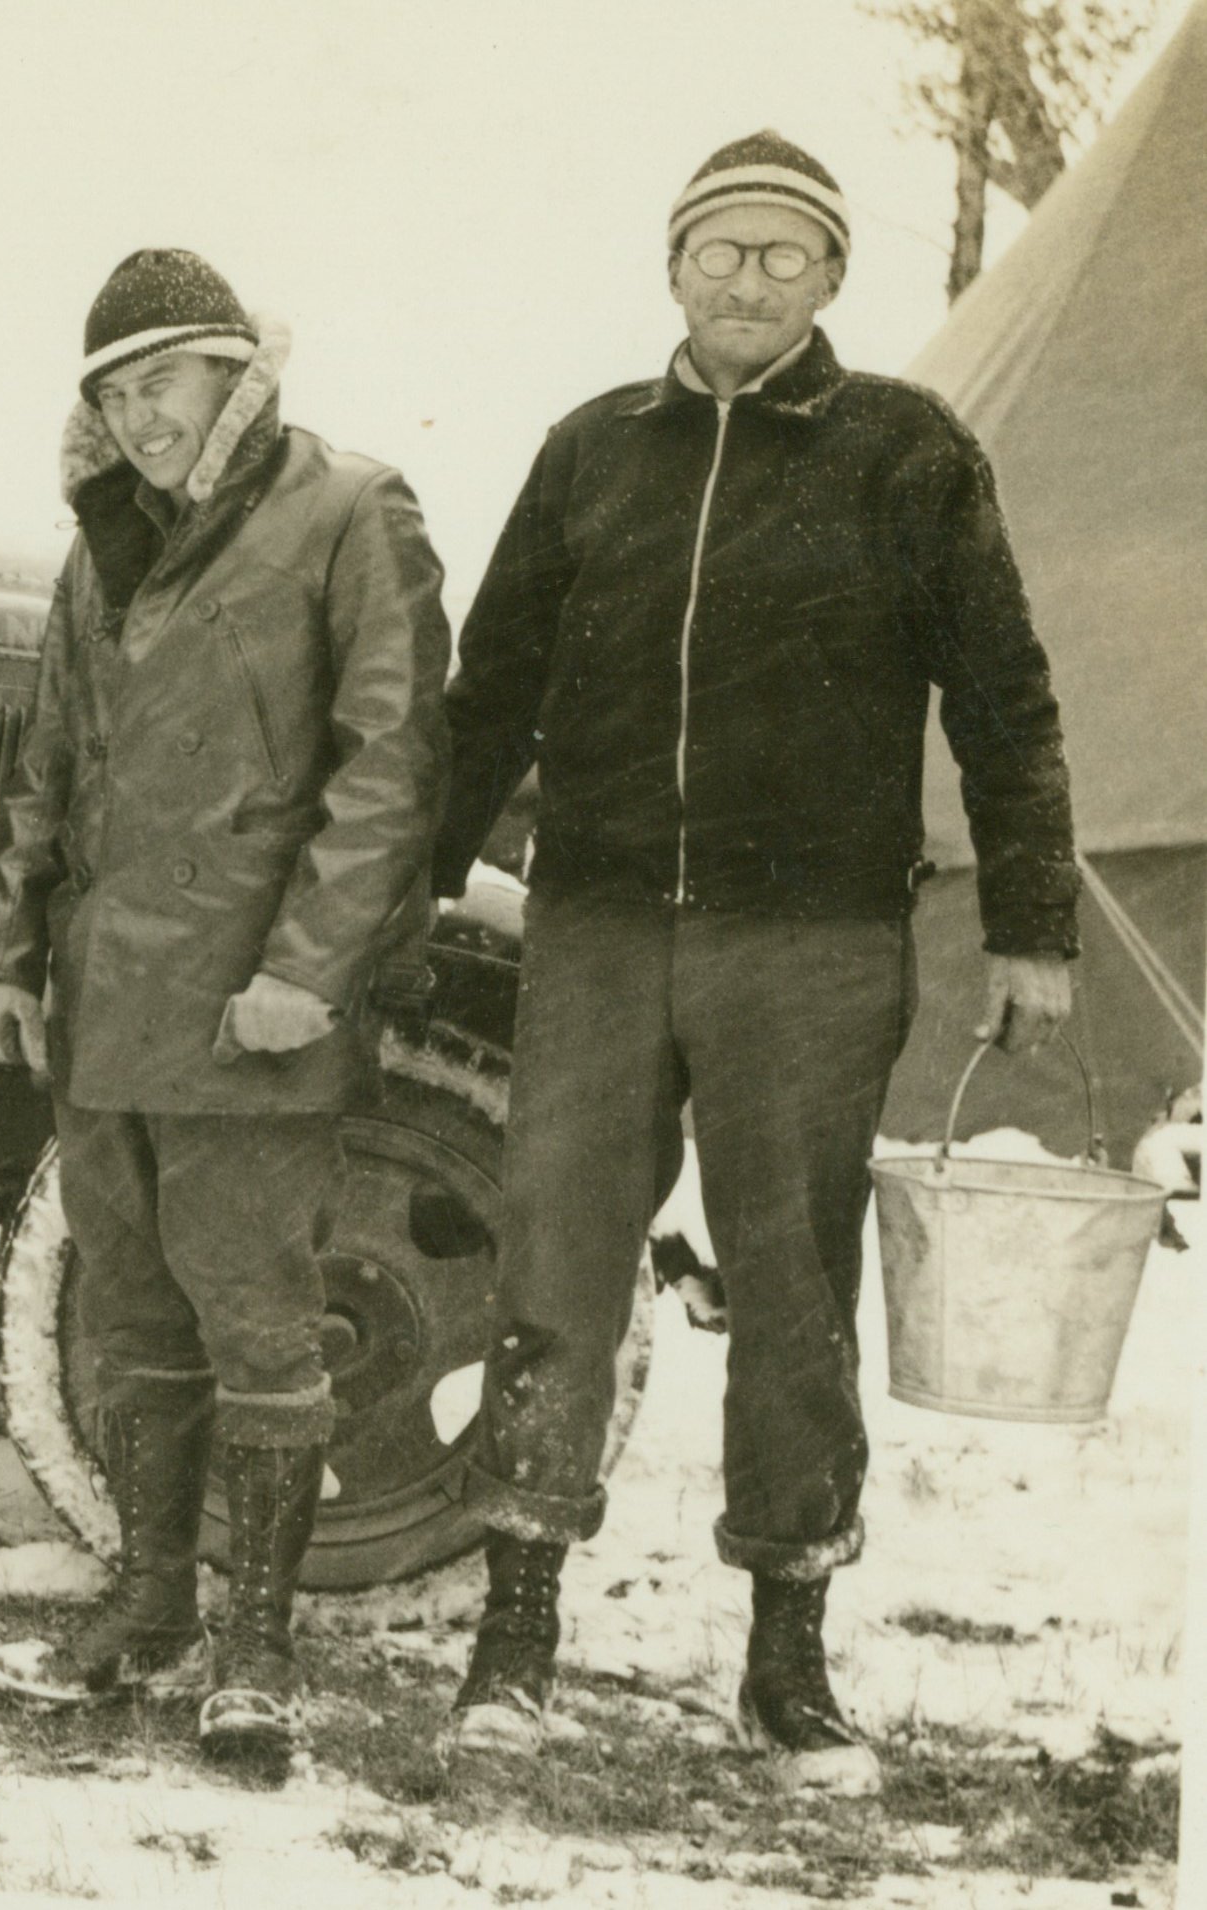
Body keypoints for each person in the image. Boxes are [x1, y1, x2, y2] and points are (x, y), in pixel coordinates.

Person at [430, 133, 1079, 1794]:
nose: (746, 280)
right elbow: (491, 684)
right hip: (597, 925)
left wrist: (1033, 922)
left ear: (831, 283)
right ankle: (517, 1632)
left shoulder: (906, 453)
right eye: (720, 249)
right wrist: (414, 888)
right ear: (674, 265)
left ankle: (785, 1661)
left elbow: (1005, 696)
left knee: (793, 1287)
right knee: (555, 1258)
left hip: (813, 943)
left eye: (784, 256)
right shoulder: (595, 452)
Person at [0, 251, 451, 1764]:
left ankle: (258, 1649)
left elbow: (393, 761)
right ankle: (154, 1602)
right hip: (106, 1010)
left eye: (163, 380)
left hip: (249, 1006)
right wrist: (0, 958)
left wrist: (305, 969)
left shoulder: (349, 512)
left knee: (262, 1325)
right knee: (133, 1316)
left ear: (239, 373)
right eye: (113, 391)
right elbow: (46, 762)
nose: (139, 415)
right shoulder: (98, 547)